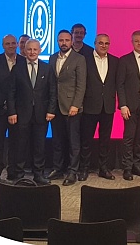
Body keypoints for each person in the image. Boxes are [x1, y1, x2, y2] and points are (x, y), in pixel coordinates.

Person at [7, 39, 57, 185]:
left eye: (35, 49)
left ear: (40, 50)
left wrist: (51, 110)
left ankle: (39, 175)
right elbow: (11, 92)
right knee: (20, 146)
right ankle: (19, 174)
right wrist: (11, 112)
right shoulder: (17, 68)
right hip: (22, 114)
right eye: (29, 49)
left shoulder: (47, 68)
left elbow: (52, 91)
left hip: (41, 114)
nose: (32, 52)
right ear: (24, 50)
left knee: (39, 146)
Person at [47, 29, 87, 185]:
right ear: (57, 41)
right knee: (57, 140)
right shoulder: (52, 58)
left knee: (73, 142)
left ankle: (72, 171)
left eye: (66, 40)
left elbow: (81, 85)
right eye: (61, 40)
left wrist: (76, 104)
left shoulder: (79, 59)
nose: (64, 43)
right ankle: (58, 169)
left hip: (72, 107)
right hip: (55, 106)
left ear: (71, 41)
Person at [79, 33, 119, 181]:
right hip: (90, 106)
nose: (104, 46)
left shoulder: (115, 61)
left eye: (106, 43)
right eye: (101, 43)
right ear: (95, 43)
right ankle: (84, 168)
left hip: (108, 106)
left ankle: (104, 168)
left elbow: (117, 84)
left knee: (105, 140)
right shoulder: (85, 59)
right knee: (86, 140)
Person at [117, 30, 140, 181]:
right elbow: (120, 84)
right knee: (129, 138)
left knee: (139, 138)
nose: (139, 43)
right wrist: (123, 105)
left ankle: (136, 166)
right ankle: (127, 168)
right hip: (130, 106)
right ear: (132, 42)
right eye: (136, 41)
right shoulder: (124, 60)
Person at [0, 34, 22, 183]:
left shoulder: (23, 61)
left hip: (18, 111)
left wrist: (14, 106)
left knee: (15, 142)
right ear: (3, 46)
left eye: (13, 43)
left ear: (17, 44)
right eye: (8, 44)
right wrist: (6, 102)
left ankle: (12, 171)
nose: (11, 46)